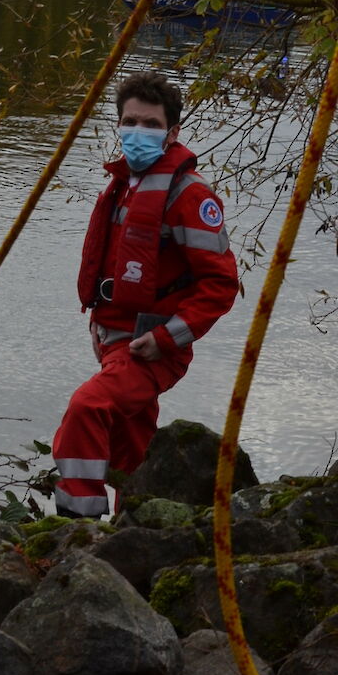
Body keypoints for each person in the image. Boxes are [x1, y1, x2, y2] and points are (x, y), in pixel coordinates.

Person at [51, 71, 239, 518]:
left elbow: (221, 285)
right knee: (131, 447)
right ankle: (131, 530)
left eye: (151, 124)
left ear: (172, 132)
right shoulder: (123, 185)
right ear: (118, 125)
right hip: (113, 337)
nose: (138, 132)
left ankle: (75, 526)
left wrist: (168, 338)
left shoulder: (189, 196)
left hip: (150, 347)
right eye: (130, 121)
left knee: (87, 408)